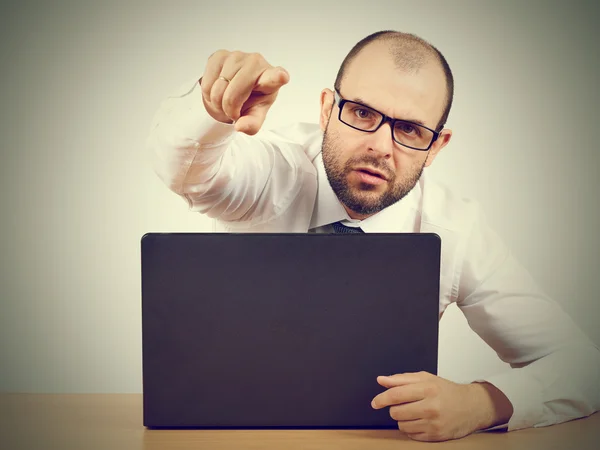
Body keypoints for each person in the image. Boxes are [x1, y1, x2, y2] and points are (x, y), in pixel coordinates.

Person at [146, 31, 600, 441]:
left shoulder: (456, 228)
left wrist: (483, 402)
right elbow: (184, 170)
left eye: (409, 129)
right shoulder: (272, 171)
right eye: (362, 113)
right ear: (327, 110)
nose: (381, 146)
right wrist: (213, 107)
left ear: (436, 147)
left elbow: (584, 368)